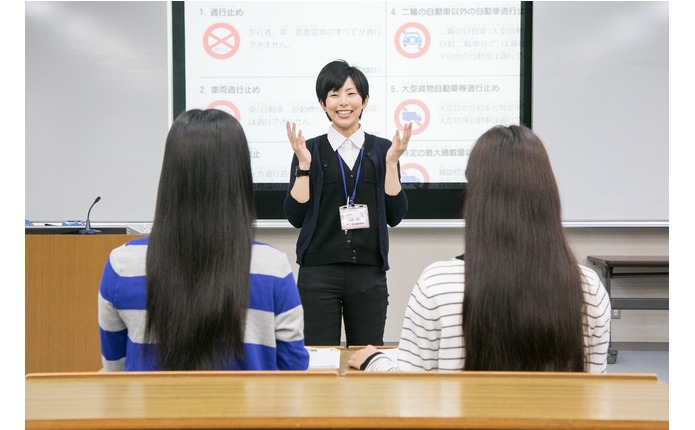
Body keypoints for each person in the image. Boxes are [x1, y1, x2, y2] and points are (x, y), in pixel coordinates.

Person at [348, 124, 611, 373]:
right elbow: (593, 392)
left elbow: (411, 389)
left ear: (477, 197)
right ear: (548, 194)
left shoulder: (438, 284)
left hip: (462, 423)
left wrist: (374, 361)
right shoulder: (588, 287)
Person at [99, 109, 310, 371]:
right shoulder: (272, 267)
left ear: (171, 173)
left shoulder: (122, 265)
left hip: (153, 412)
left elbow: (115, 370)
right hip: (249, 412)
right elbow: (293, 369)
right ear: (240, 175)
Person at [284, 59, 412, 346]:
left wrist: (391, 164)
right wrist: (304, 166)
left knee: (367, 361)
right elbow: (295, 216)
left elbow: (395, 215)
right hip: (317, 275)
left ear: (364, 100)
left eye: (351, 93)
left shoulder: (383, 150)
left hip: (369, 274)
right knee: (318, 362)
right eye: (334, 94)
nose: (343, 102)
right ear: (323, 103)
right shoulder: (309, 150)